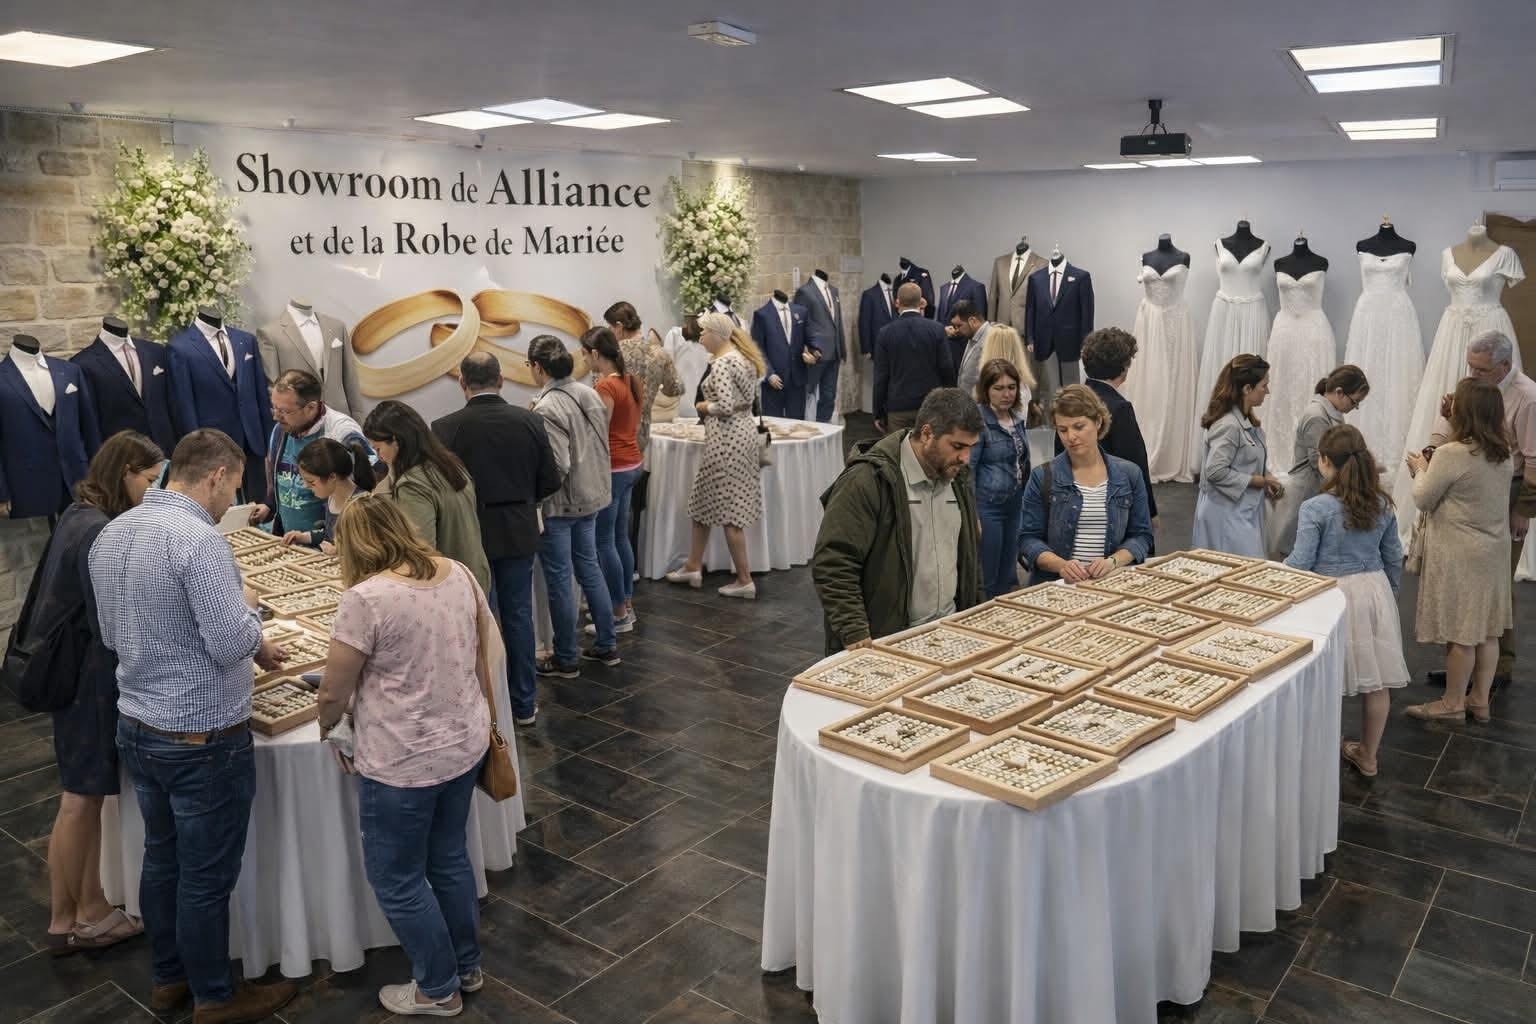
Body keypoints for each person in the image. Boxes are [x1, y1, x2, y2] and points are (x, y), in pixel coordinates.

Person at [89, 429, 294, 1022]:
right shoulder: (199, 540)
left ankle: (168, 978)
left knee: (162, 857)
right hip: (201, 733)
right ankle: (215, 996)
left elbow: (109, 634)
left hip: (138, 722)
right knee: (205, 876)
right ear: (216, 477)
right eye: (234, 486)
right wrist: (254, 620)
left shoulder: (113, 532)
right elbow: (230, 642)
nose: (233, 498)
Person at [317, 495, 493, 1017]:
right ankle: (466, 965)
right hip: (462, 745)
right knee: (449, 858)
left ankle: (437, 988)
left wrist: (330, 727)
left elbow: (332, 693)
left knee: (397, 878)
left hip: (402, 761)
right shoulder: (457, 572)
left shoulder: (367, 598)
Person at [24, 432, 162, 956]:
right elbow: (112, 613)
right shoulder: (100, 530)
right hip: (88, 681)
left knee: (84, 798)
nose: (152, 491)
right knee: (81, 801)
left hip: (77, 675)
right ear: (126, 471)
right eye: (149, 480)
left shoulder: (78, 513)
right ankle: (68, 919)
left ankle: (91, 908)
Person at [431, 351, 560, 725]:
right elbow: (550, 480)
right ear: (501, 380)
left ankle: (480, 706)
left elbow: (439, 489)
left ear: (462, 383)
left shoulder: (444, 428)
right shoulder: (529, 421)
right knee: (519, 617)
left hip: (470, 534)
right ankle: (523, 704)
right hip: (519, 527)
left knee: (473, 619)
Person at [812, 388, 984, 652]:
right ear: (927, 433)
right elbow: (834, 561)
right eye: (958, 446)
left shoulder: (956, 476)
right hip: (889, 642)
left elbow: (969, 556)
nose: (965, 457)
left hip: (949, 635)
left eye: (971, 447)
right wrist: (853, 629)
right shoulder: (868, 480)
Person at [1284, 425, 1407, 777]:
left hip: (1329, 596)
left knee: (1327, 676)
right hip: (1373, 591)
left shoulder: (1316, 508)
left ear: (1324, 461)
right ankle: (1368, 756)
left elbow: (1301, 562)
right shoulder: (1381, 503)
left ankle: (1323, 751)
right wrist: (1390, 593)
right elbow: (1393, 555)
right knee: (1377, 679)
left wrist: (1274, 576)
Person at [1423, 331, 1536, 691]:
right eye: (1469, 367)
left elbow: (1533, 461)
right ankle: (1464, 663)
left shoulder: (1528, 398)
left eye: (1481, 370)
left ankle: (1498, 666)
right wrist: (1433, 450)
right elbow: (1453, 426)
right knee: (1463, 580)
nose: (1471, 375)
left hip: (1509, 486)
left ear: (1504, 367)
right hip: (1471, 479)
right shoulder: (1477, 386)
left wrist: (1522, 511)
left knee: (1496, 581)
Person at [1405, 378, 1513, 721]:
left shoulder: (1453, 454)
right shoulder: (1503, 452)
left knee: (1460, 632)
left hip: (1459, 551)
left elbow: (1423, 497)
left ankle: (1452, 703)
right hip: (1493, 550)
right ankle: (1479, 699)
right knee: (1487, 629)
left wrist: (1419, 469)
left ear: (1462, 411)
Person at [527, 334, 620, 675]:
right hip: (593, 495)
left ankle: (566, 658)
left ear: (538, 367)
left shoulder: (548, 407)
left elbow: (558, 464)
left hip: (563, 505)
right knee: (589, 569)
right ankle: (607, 644)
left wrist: (536, 495)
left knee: (561, 581)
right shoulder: (588, 393)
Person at [663, 312, 767, 599]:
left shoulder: (722, 364)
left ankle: (744, 580)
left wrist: (702, 406)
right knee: (703, 501)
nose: (699, 337)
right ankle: (693, 565)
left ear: (719, 334)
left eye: (704, 332)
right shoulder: (744, 358)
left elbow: (725, 405)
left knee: (729, 511)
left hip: (725, 439)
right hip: (742, 434)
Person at [1019, 384, 1154, 584]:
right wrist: (1061, 565)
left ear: (1098, 421)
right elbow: (1027, 540)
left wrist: (1113, 562)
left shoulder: (1129, 475)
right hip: (1057, 587)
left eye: (1079, 426)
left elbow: (1142, 536)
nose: (1070, 437)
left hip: (1111, 583)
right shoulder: (1043, 476)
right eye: (1062, 429)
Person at [364, 401, 491, 594]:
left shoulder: (412, 484)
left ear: (396, 440)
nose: (379, 456)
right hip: (474, 575)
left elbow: (422, 551)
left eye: (378, 448)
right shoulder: (449, 465)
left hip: (447, 588)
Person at [249, 369, 374, 538]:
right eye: (274, 408)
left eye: (284, 411)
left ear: (311, 407)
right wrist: (269, 506)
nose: (276, 417)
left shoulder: (341, 431)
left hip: (332, 542)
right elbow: (276, 476)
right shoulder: (281, 429)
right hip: (291, 540)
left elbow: (369, 479)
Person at [1056, 328, 1159, 531]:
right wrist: (1150, 511)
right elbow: (1135, 464)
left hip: (1071, 502)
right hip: (1112, 507)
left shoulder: (1069, 400)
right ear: (1124, 367)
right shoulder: (1120, 408)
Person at [581, 326, 647, 632]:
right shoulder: (630, 380)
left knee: (604, 540)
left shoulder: (605, 387)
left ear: (595, 354)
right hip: (632, 461)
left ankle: (618, 612)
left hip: (615, 466)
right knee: (620, 536)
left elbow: (598, 430)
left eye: (585, 353)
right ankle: (625, 605)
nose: (584, 359)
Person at [1267, 365, 1370, 558]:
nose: (1355, 407)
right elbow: (1321, 462)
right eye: (1355, 401)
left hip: (1316, 487)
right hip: (1308, 489)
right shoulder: (1318, 416)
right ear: (1340, 392)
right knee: (1298, 552)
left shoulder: (1327, 413)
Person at [1193, 354, 1282, 557]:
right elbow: (1215, 471)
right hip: (1225, 516)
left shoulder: (1245, 421)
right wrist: (1258, 480)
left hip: (1240, 510)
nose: (1267, 391)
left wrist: (1267, 477)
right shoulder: (1229, 426)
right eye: (1263, 385)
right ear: (1247, 389)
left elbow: (1248, 460)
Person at [970, 359, 1033, 597]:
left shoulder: (1016, 420)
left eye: (1011, 387)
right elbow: (968, 471)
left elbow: (1024, 463)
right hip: (988, 506)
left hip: (1015, 503)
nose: (1006, 394)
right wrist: (973, 514)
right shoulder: (979, 422)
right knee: (988, 573)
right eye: (999, 388)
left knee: (1009, 571)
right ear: (986, 390)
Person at [873, 282, 955, 432]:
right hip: (931, 406)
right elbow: (946, 368)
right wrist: (950, 404)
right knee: (929, 452)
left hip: (897, 408)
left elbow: (881, 377)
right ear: (921, 302)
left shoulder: (885, 333)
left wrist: (878, 412)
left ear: (897, 302)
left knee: (900, 452)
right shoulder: (937, 330)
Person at [604, 300, 683, 453]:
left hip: (615, 434)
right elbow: (675, 388)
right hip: (643, 433)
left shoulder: (611, 355)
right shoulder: (660, 353)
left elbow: (601, 393)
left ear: (619, 327)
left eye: (610, 327)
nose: (609, 332)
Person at [280, 437, 376, 550]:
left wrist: (339, 552)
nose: (306, 486)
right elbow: (329, 535)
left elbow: (370, 550)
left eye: (311, 482)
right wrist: (303, 537)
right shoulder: (331, 497)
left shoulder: (361, 507)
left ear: (332, 477)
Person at [946, 299, 995, 397]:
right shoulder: (971, 336)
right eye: (954, 326)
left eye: (959, 326)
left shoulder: (992, 338)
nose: (956, 330)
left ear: (972, 321)